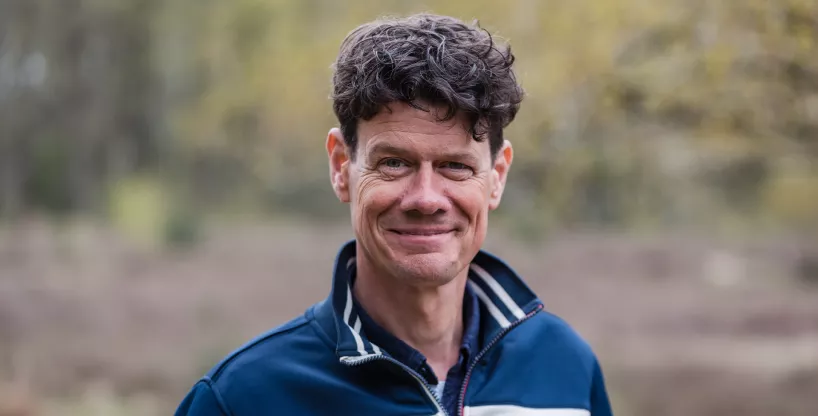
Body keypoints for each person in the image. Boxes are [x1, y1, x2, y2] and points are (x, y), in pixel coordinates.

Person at [175, 13, 613, 416]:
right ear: (341, 167)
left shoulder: (565, 370)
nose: (426, 199)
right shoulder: (242, 399)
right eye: (394, 163)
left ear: (496, 177)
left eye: (455, 166)